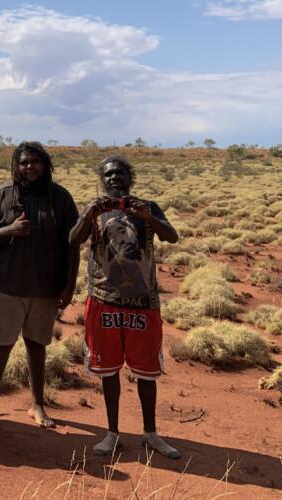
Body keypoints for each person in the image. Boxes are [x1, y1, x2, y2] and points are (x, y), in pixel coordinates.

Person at [68, 155, 181, 459]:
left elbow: (172, 236)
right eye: (108, 174)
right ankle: (112, 433)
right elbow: (73, 240)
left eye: (120, 173)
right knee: (109, 371)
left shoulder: (148, 206)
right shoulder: (95, 208)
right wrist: (88, 217)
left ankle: (150, 433)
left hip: (144, 301)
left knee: (146, 372)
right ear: (101, 179)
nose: (114, 178)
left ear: (130, 177)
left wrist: (149, 219)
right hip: (104, 300)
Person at [0, 141, 80, 433]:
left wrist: (69, 285)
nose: (30, 168)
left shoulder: (60, 198)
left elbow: (73, 245)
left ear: (45, 165)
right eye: (24, 163)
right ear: (16, 166)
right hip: (6, 287)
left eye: (35, 162)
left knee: (36, 346)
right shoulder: (2, 196)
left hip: (45, 288)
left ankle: (37, 404)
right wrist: (10, 231)